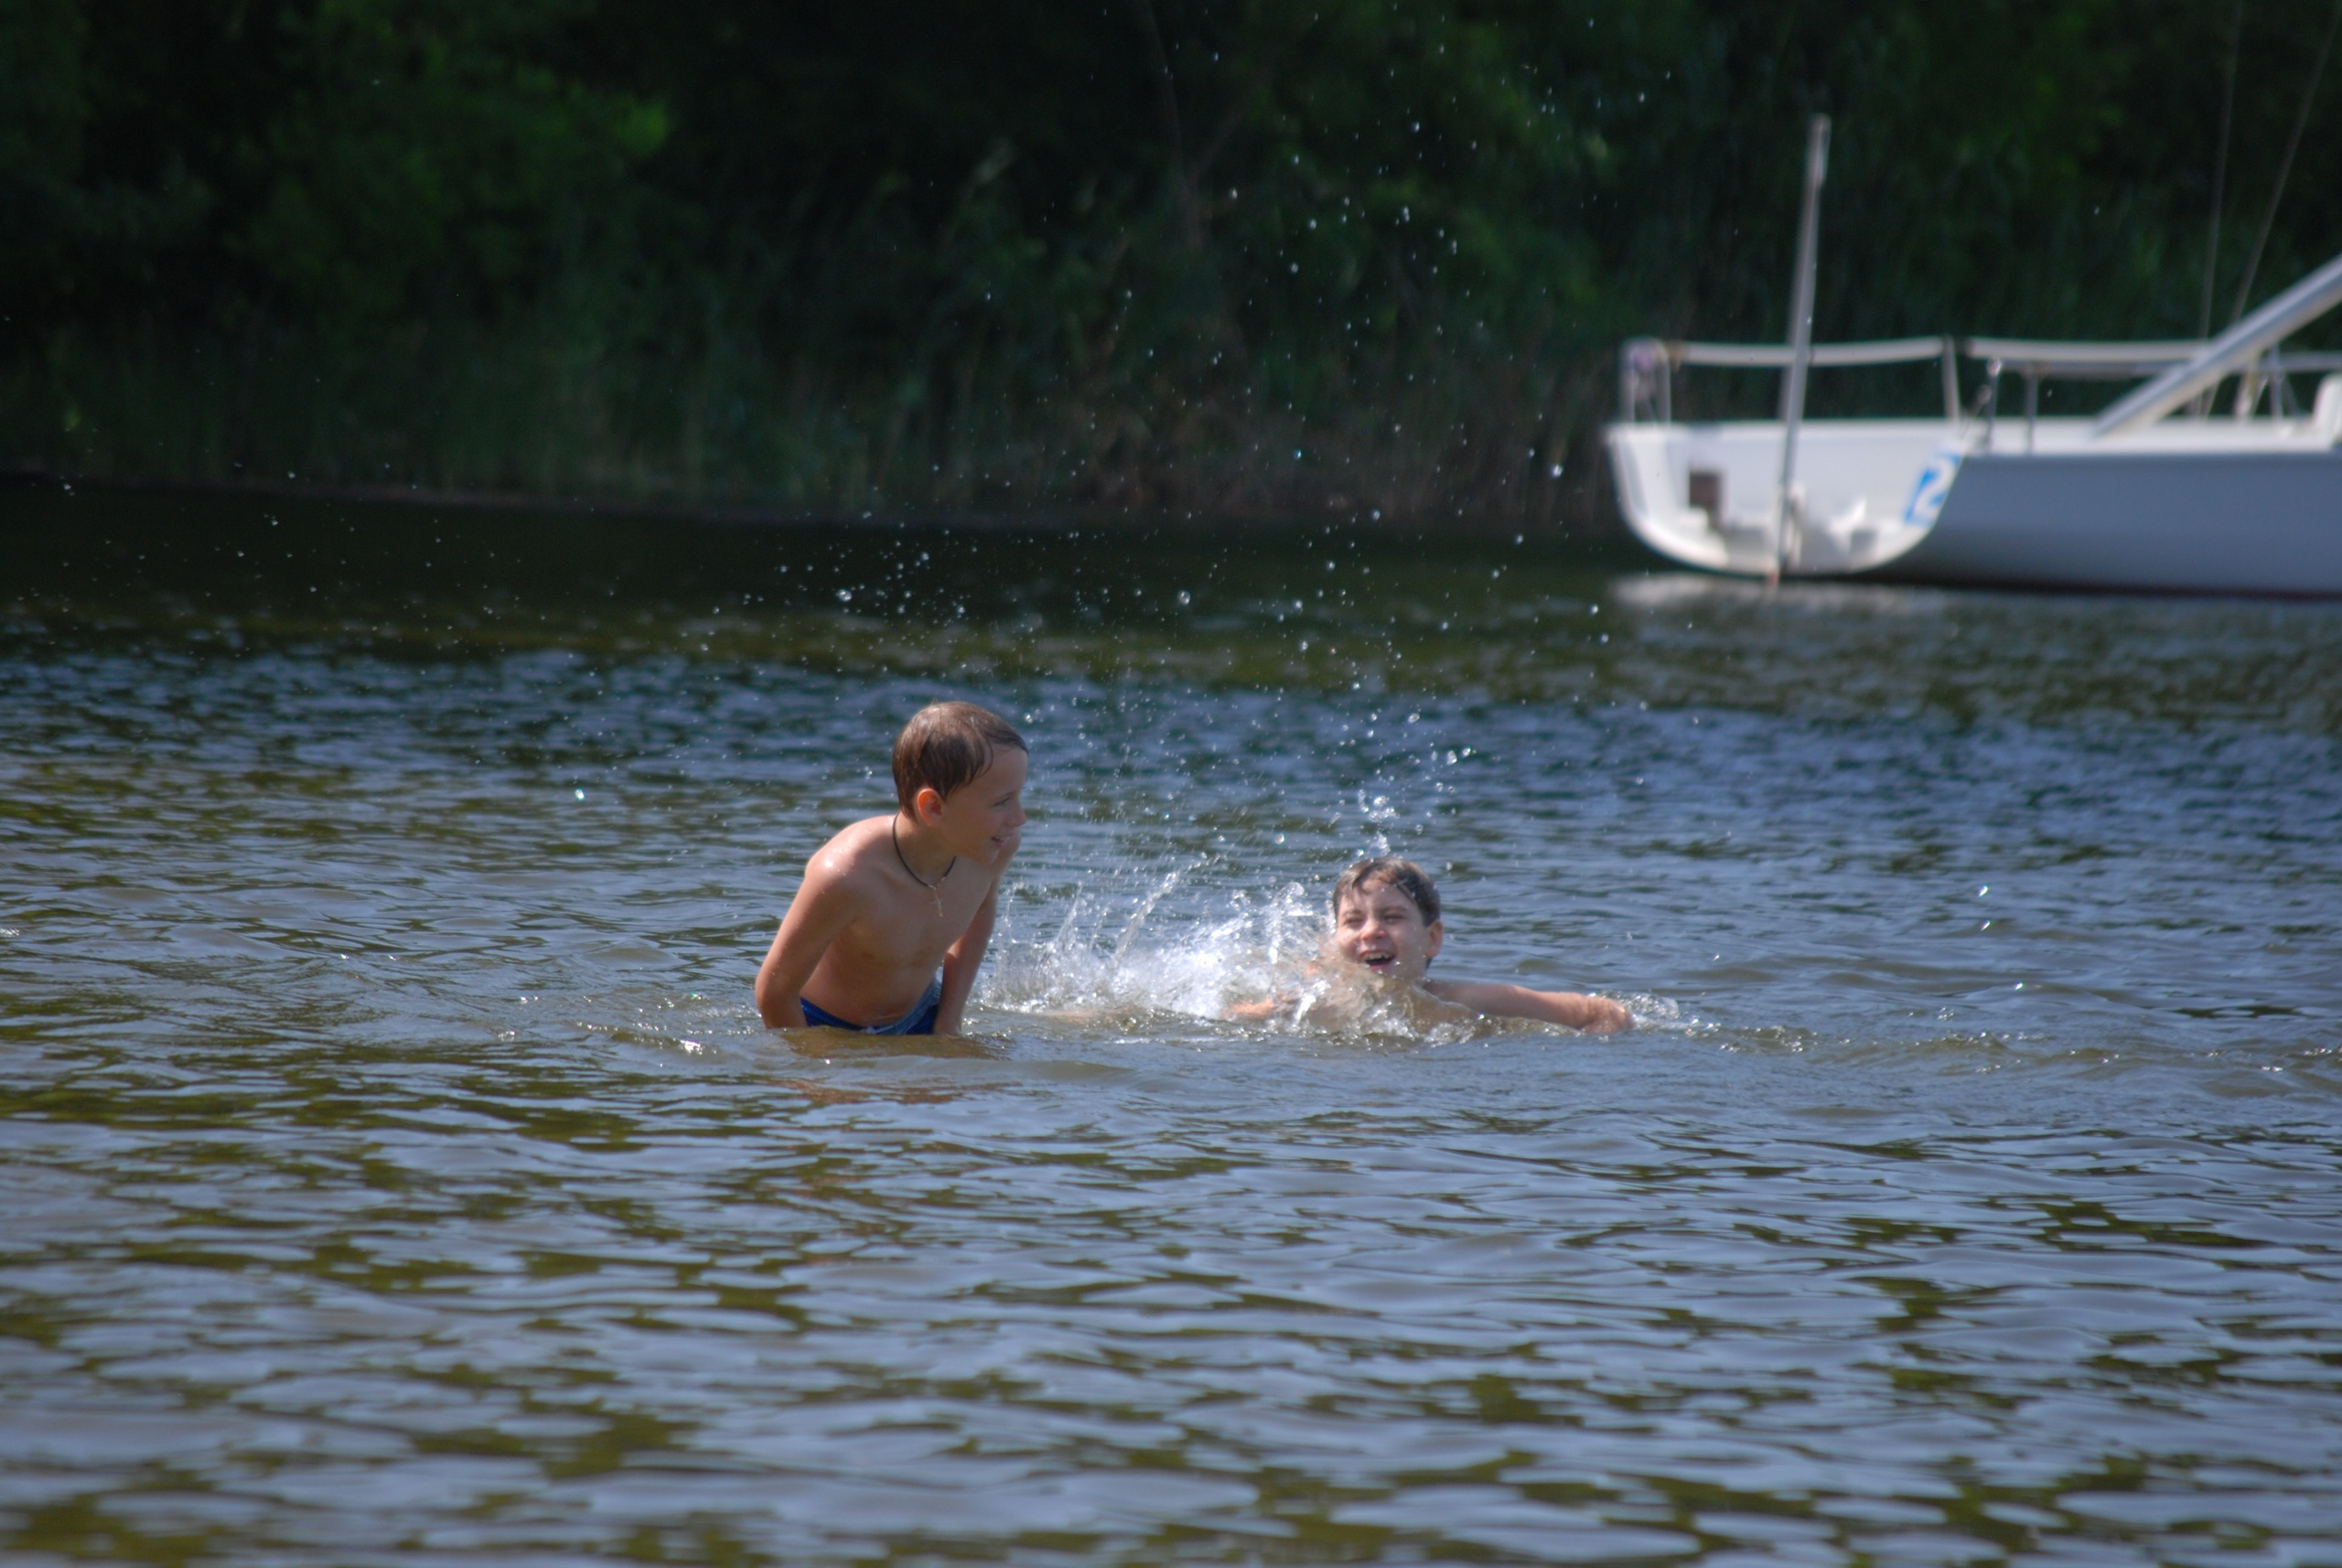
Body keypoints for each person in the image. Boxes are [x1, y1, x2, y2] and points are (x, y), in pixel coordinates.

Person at [756, 702, 1026, 1035]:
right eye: (1001, 802)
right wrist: (808, 1072)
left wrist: (948, 1020)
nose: (1019, 818)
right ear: (934, 807)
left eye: (1018, 796)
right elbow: (774, 991)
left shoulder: (991, 850)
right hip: (823, 1024)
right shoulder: (848, 876)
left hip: (922, 1015)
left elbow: (980, 914)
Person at [1232, 856, 1633, 1033]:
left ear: (1432, 939)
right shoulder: (1314, 1002)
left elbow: (1601, 1013)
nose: (1370, 932)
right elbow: (1229, 1015)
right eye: (1353, 922)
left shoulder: (1463, 1000)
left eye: (1392, 918)